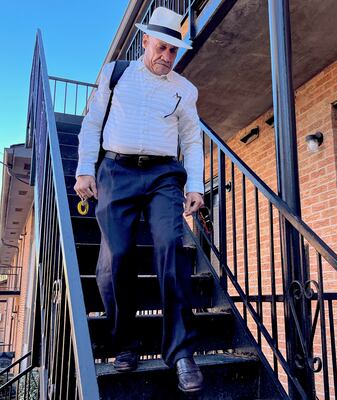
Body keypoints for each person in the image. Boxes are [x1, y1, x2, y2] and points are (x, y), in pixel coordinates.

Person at [73, 6, 205, 394]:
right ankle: (125, 343)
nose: (166, 57)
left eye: (173, 52)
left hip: (164, 175)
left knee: (171, 249)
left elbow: (192, 141)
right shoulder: (116, 74)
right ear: (145, 41)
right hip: (116, 172)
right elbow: (93, 122)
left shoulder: (185, 90)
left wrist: (195, 183)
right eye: (161, 47)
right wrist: (84, 169)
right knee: (114, 261)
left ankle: (180, 352)